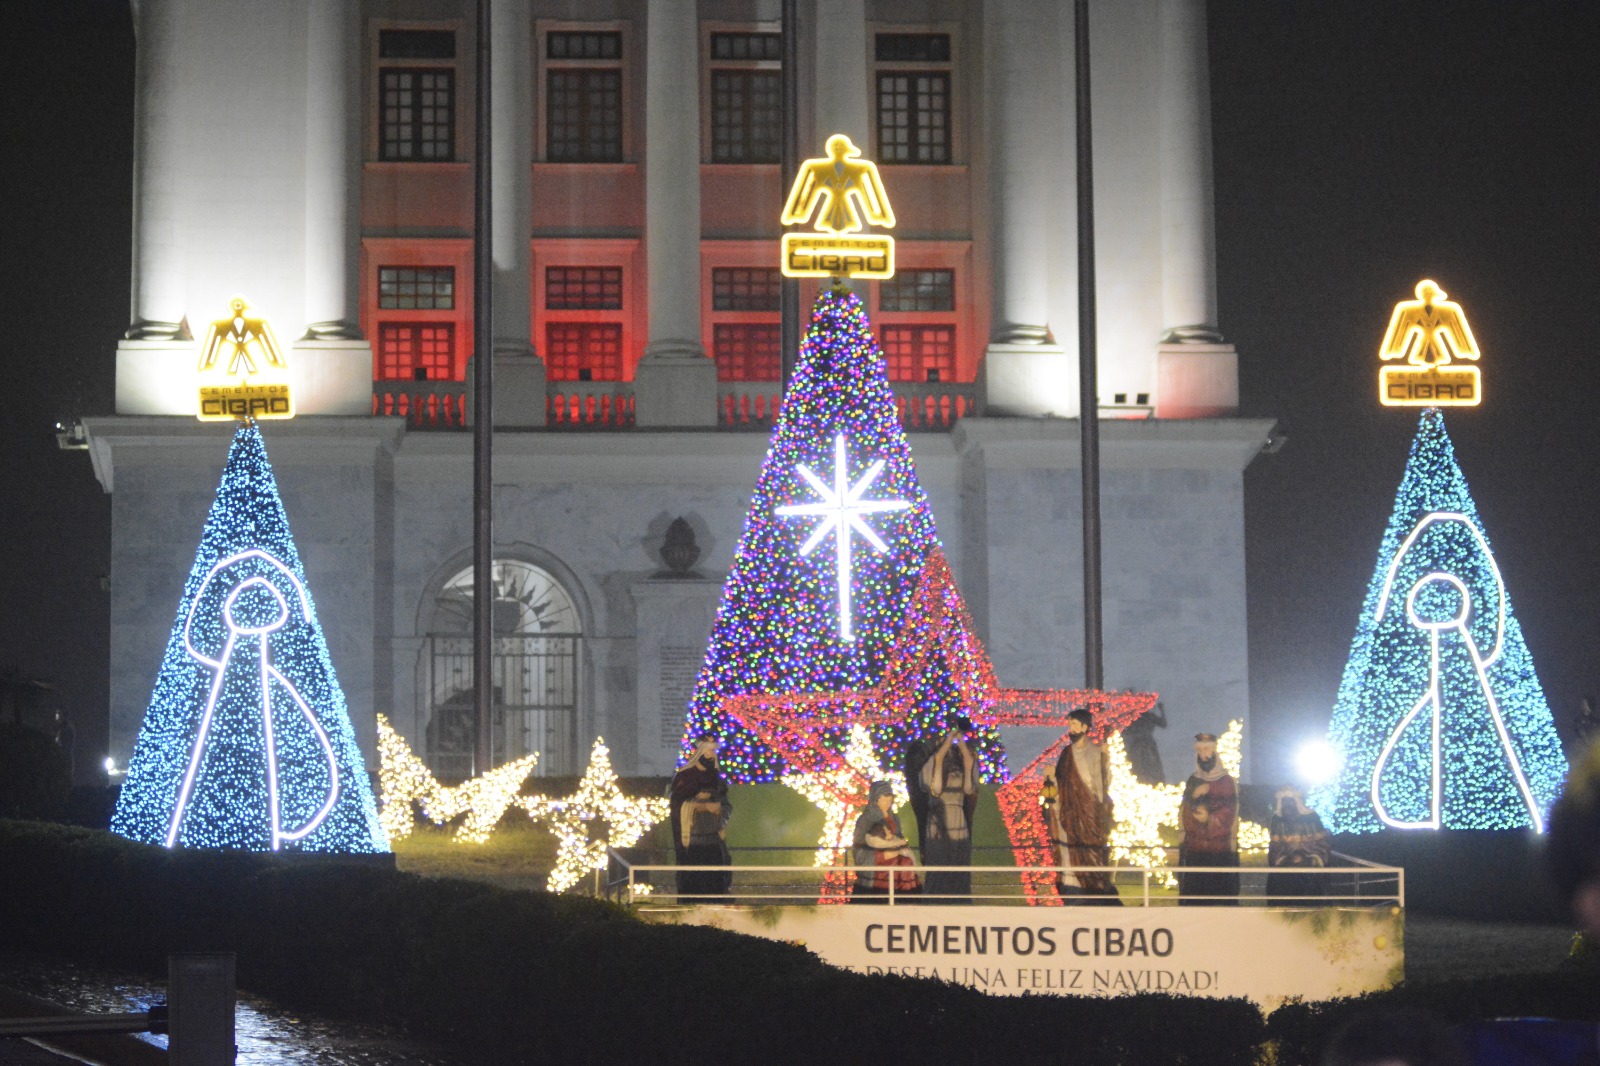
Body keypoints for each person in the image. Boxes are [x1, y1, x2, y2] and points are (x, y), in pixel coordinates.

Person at [1045, 708, 1121, 903]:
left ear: (1085, 727)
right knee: (1069, 850)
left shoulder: (1095, 753)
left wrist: (1107, 763)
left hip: (1089, 812)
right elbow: (1060, 783)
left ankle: (1094, 887)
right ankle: (1073, 886)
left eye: (1075, 725)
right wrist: (1051, 780)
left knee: (1090, 851)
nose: (1071, 729)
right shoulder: (1066, 754)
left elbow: (1103, 785)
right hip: (1069, 812)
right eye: (1070, 725)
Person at [919, 717, 977, 902]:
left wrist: (959, 741)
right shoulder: (934, 764)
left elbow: (968, 786)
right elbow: (935, 788)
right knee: (940, 861)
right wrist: (947, 741)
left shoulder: (961, 766)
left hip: (957, 817)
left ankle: (959, 899)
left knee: (957, 862)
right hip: (939, 819)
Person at [1177, 732, 1239, 905]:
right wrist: (1195, 797)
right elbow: (1184, 811)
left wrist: (1210, 818)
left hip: (1219, 851)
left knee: (1219, 898)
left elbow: (1229, 812)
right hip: (1195, 850)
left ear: (1214, 752)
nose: (1203, 755)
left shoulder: (1226, 781)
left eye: (1207, 750)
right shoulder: (1193, 780)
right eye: (1200, 751)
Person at [669, 737, 732, 903]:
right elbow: (677, 804)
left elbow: (725, 805)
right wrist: (699, 805)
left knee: (716, 880)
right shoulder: (685, 777)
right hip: (694, 841)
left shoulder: (716, 778)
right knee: (694, 880)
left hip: (714, 839)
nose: (712, 755)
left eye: (714, 751)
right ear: (700, 751)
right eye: (710, 750)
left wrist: (718, 809)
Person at [851, 780, 920, 901]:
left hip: (897, 858)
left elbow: (899, 838)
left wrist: (901, 846)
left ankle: (907, 898)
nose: (888, 803)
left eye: (890, 800)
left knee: (907, 863)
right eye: (884, 800)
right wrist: (881, 856)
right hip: (879, 867)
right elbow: (859, 850)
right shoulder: (865, 820)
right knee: (903, 865)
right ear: (875, 799)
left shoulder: (894, 818)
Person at [1267, 786, 1332, 905]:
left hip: (1310, 866)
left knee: (1311, 883)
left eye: (1290, 801)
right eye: (1284, 801)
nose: (1287, 805)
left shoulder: (1311, 818)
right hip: (1285, 867)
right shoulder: (1278, 820)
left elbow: (1322, 846)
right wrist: (1288, 857)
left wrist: (1304, 856)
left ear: (1297, 801)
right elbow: (1275, 849)